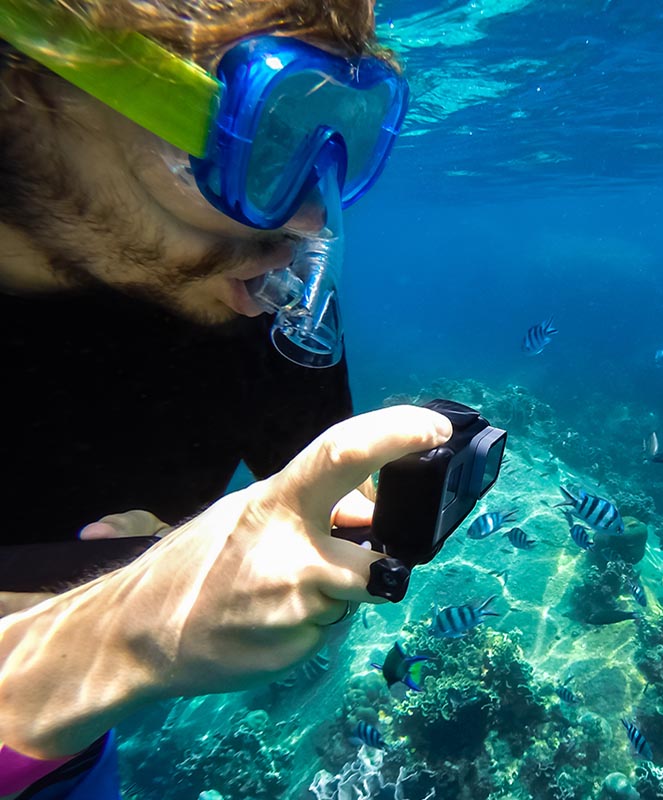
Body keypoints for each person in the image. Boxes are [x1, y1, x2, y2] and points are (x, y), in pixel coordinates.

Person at [0, 2, 443, 797]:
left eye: (343, 137)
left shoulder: (253, 302)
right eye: (261, 135)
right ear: (25, 73)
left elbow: (317, 508)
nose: (316, 217)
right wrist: (119, 635)